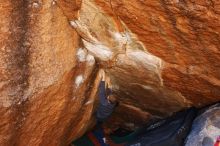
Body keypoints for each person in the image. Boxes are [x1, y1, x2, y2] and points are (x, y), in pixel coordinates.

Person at [93, 69, 118, 146]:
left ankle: (97, 129)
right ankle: (99, 127)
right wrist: (109, 84)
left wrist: (103, 78)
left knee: (98, 123)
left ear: (107, 99)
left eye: (108, 96)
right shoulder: (112, 103)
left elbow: (101, 91)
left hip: (100, 116)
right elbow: (109, 93)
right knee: (100, 122)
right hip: (105, 115)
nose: (107, 95)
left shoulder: (104, 102)